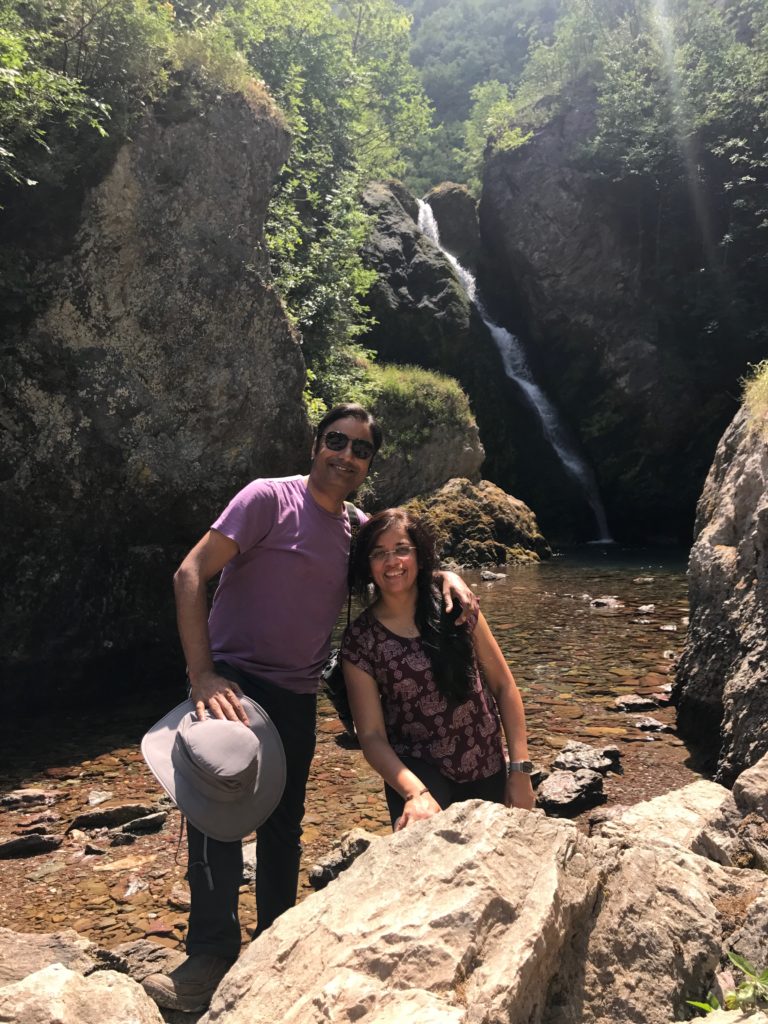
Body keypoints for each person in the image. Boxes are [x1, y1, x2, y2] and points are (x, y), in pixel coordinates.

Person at [142, 403, 477, 1013]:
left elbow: (402, 557)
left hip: (296, 693)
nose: (346, 455)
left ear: (369, 463)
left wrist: (447, 574)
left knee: (282, 826)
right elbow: (190, 573)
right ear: (316, 444)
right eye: (337, 441)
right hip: (233, 683)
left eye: (360, 450)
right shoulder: (267, 499)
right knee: (216, 814)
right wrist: (202, 674)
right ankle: (209, 956)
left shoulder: (356, 527)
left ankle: (275, 940)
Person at [341, 508, 535, 831]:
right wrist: (414, 792)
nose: (393, 562)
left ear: (419, 555)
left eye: (402, 549)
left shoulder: (457, 604)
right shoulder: (361, 640)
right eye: (379, 553)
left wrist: (520, 769)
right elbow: (371, 735)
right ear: (367, 564)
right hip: (416, 771)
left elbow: (504, 686)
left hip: (484, 761)